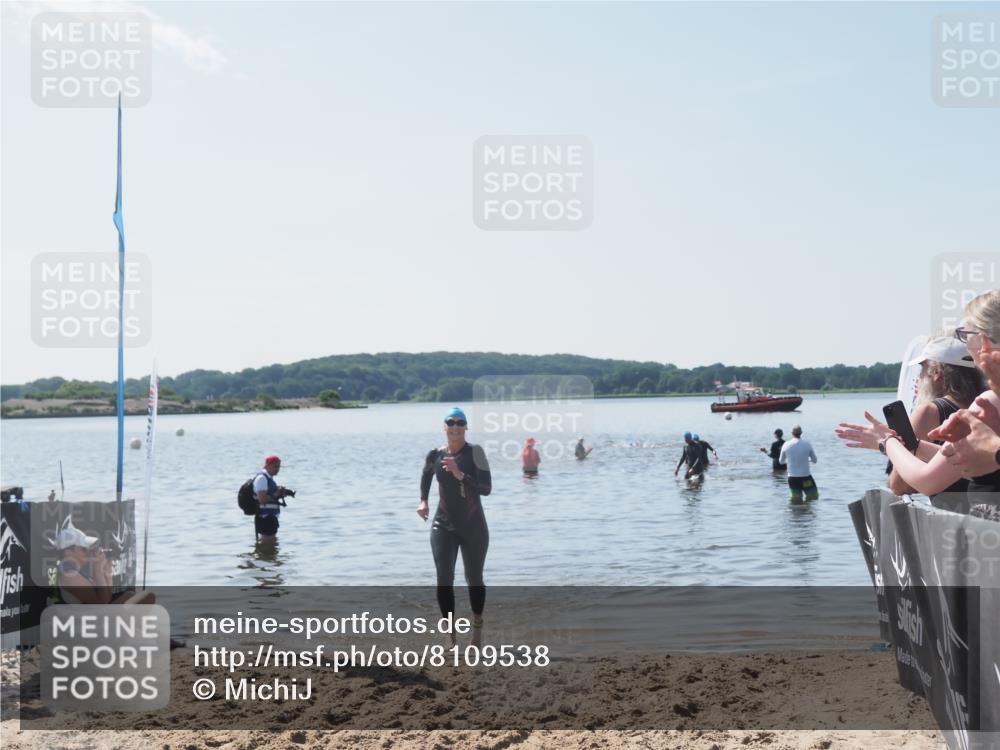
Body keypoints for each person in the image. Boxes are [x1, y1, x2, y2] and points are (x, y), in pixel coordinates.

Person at [837, 291, 1000, 517]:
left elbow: (924, 481)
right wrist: (914, 445)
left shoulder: (988, 404)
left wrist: (887, 443)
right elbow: (962, 458)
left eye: (966, 335)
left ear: (982, 341)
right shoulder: (984, 401)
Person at [418, 407, 492, 646]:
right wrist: (423, 500)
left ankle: (477, 630)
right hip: (443, 524)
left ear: (465, 427)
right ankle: (451, 638)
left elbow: (486, 489)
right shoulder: (434, 454)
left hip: (473, 526)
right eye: (451, 422)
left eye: (460, 423)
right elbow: (427, 474)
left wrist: (462, 475)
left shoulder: (476, 452)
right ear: (444, 427)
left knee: (474, 578)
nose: (455, 426)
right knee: (444, 579)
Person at [253, 455, 294, 543]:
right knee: (267, 542)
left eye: (279, 466)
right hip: (265, 517)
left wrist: (280, 495)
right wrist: (276, 494)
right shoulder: (262, 478)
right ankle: (264, 556)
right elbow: (262, 499)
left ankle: (264, 556)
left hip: (270, 516)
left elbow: (271, 496)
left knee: (270, 545)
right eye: (275, 466)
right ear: (267, 465)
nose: (277, 469)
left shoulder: (269, 478)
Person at [778, 425, 818, 503]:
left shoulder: (786, 444)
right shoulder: (807, 444)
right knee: (813, 497)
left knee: (795, 499)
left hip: (792, 478)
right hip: (805, 478)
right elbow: (815, 460)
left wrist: (790, 461)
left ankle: (796, 513)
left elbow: (781, 462)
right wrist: (808, 460)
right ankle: (806, 513)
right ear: (801, 433)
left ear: (792, 433)